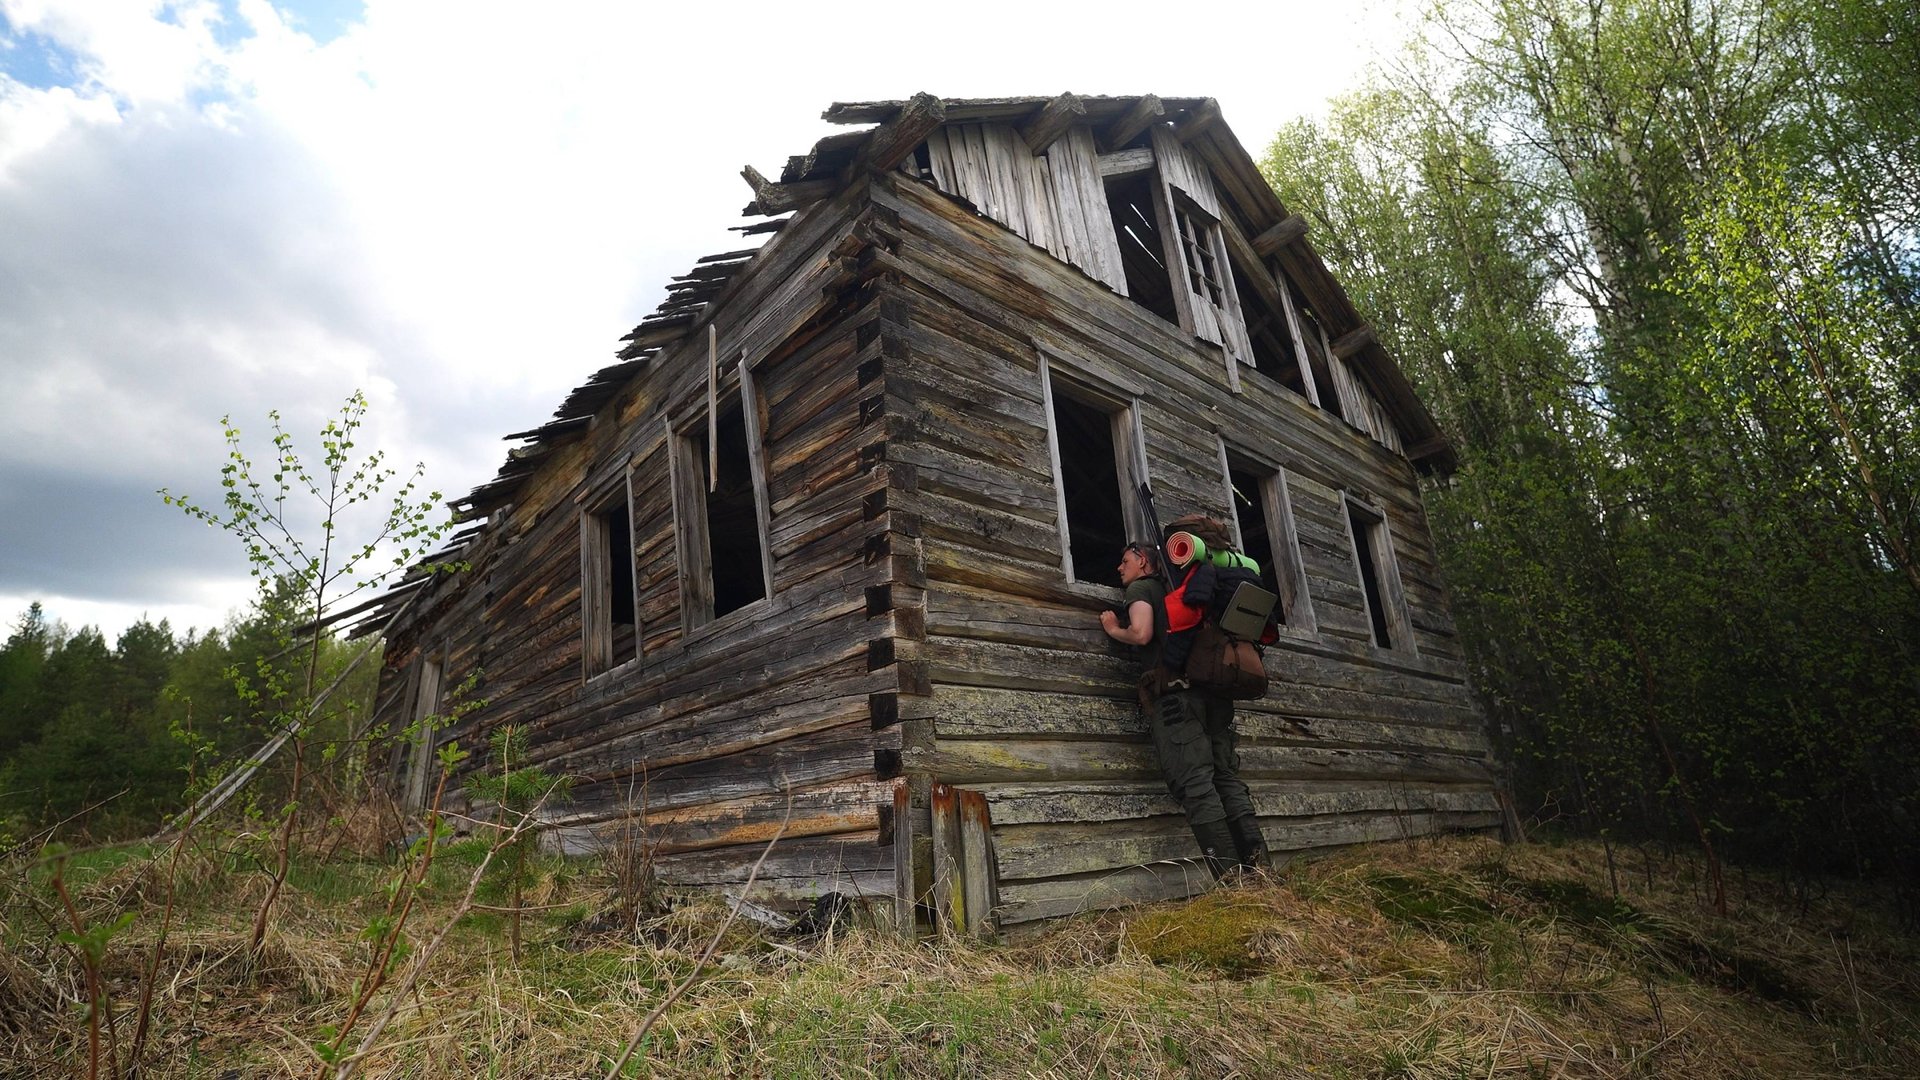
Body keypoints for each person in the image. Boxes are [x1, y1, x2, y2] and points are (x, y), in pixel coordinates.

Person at [1101, 533, 1269, 880]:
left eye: (1126, 561)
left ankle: (1232, 882)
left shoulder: (1142, 589)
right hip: (1213, 697)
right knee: (1225, 779)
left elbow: (1142, 633)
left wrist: (1114, 628)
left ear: (1144, 562)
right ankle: (1261, 870)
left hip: (1178, 703)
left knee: (1196, 785)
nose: (1119, 567)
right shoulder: (1185, 592)